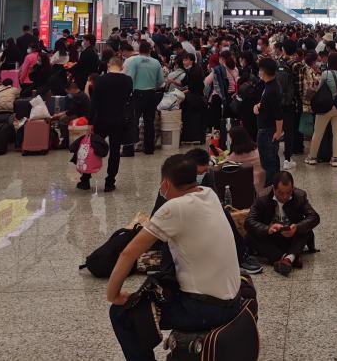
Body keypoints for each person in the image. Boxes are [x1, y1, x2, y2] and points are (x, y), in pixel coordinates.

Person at [107, 154, 243, 361]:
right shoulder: (209, 194)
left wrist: (114, 295)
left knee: (120, 313)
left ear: (166, 183)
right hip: (234, 301)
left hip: (205, 308)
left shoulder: (174, 208)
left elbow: (128, 253)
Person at [244, 170, 321, 276]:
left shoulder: (299, 196)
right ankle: (289, 258)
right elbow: (249, 221)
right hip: (272, 238)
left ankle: (285, 259)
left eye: (288, 193)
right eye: (280, 193)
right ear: (273, 189)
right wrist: (268, 229)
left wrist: (296, 227)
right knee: (250, 236)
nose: (285, 197)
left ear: (293, 189)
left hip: (293, 237)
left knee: (305, 229)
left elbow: (314, 217)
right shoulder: (262, 197)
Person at [83, 56, 134, 192]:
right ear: (122, 67)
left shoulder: (101, 80)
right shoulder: (128, 80)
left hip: (101, 120)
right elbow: (128, 98)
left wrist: (90, 122)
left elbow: (94, 103)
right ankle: (110, 182)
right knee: (115, 151)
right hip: (119, 120)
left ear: (108, 65)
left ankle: (85, 179)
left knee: (94, 148)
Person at [306, 52, 337, 167]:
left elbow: (319, 89)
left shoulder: (326, 74)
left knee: (318, 132)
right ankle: (334, 159)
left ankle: (312, 157)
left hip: (325, 106)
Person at [124, 41, 165, 155]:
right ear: (150, 50)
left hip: (137, 94)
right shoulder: (156, 62)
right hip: (151, 94)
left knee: (133, 122)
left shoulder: (134, 61)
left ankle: (129, 149)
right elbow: (161, 81)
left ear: (139, 50)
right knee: (149, 122)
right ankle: (149, 148)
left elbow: (129, 78)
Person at [253, 57, 284, 187]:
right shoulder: (271, 85)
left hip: (268, 130)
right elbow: (267, 105)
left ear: (264, 71)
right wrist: (257, 106)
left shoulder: (272, 89)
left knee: (268, 161)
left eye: (260, 70)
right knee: (271, 159)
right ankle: (275, 184)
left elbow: (278, 113)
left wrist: (278, 131)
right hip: (267, 127)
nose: (259, 72)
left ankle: (271, 187)